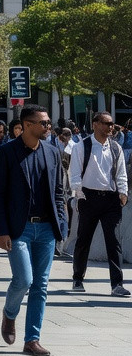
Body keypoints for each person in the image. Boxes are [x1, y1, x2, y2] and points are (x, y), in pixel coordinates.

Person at [0, 104, 66, 356]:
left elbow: (58, 191)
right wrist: (2, 230)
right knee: (24, 280)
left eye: (48, 123)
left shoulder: (53, 152)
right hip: (18, 229)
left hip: (46, 228)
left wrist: (61, 224)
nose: (48, 127)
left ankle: (32, 339)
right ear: (27, 125)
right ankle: (9, 314)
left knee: (41, 285)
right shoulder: (6, 152)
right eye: (43, 123)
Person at [69, 112, 129, 296]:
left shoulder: (115, 147)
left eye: (112, 124)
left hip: (111, 199)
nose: (111, 127)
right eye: (106, 123)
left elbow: (121, 172)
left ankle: (117, 284)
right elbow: (75, 173)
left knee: (114, 241)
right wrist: (79, 195)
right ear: (95, 124)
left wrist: (123, 191)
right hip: (89, 198)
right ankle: (78, 278)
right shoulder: (82, 146)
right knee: (83, 240)